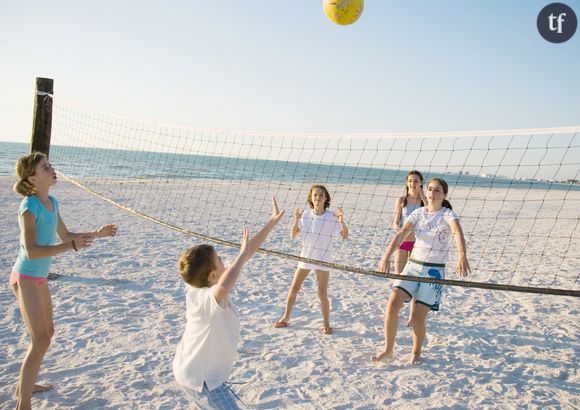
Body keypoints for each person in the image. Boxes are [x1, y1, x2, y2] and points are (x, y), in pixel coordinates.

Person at [11, 152, 117, 410]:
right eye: (45, 167)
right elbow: (32, 251)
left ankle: (26, 382)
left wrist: (97, 234)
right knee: (40, 339)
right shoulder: (29, 207)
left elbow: (66, 234)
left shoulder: (52, 202)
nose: (51, 169)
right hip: (25, 276)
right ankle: (22, 402)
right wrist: (70, 247)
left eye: (50, 165)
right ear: (33, 178)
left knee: (47, 334)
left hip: (39, 278)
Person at [173, 197, 285, 410]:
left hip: (191, 371)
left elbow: (245, 257)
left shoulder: (201, 285)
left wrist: (271, 222)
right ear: (213, 275)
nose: (226, 260)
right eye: (220, 259)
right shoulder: (205, 299)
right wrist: (241, 257)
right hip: (202, 382)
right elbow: (225, 284)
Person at [373, 178, 470, 365]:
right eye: (430, 189)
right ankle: (388, 350)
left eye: (437, 190)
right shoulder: (418, 213)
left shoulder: (448, 214)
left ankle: (416, 352)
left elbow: (458, 233)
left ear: (444, 195)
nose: (432, 193)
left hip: (434, 271)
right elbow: (401, 234)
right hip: (413, 265)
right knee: (392, 304)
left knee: (418, 317)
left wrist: (462, 256)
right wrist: (385, 257)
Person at [273, 185, 348, 335]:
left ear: (326, 198)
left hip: (323, 259)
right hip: (306, 256)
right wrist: (296, 220)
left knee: (322, 294)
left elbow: (345, 235)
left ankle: (326, 323)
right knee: (294, 288)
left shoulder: (332, 216)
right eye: (315, 195)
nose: (318, 198)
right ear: (311, 198)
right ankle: (286, 317)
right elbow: (293, 235)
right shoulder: (306, 215)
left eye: (321, 195)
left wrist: (341, 221)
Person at [391, 170, 426, 324]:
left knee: (417, 280)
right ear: (407, 183)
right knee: (399, 277)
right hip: (403, 241)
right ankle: (397, 309)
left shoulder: (424, 201)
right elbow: (394, 222)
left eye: (416, 181)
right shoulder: (401, 200)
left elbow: (432, 211)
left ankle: (412, 317)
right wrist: (401, 232)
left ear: (421, 183)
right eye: (411, 181)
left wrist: (423, 195)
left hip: (419, 243)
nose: (413, 183)